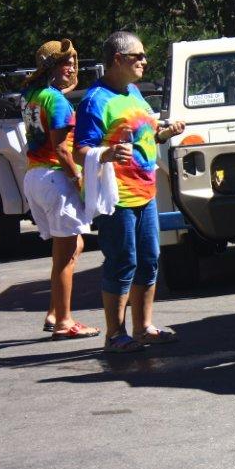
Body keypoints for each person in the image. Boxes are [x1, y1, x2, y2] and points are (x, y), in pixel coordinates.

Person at [74, 32, 186, 353]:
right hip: (118, 197)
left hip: (145, 191)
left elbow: (146, 135)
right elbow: (80, 150)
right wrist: (107, 153)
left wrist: (164, 133)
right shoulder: (96, 100)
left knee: (149, 260)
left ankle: (143, 327)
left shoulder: (134, 92)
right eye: (138, 56)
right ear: (118, 60)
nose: (144, 61)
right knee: (122, 262)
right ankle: (115, 334)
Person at [19, 39, 100, 339]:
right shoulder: (56, 101)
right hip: (55, 179)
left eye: (73, 61)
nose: (72, 66)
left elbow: (48, 104)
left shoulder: (31, 95)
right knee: (66, 254)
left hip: (34, 178)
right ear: (50, 67)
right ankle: (64, 322)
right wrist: (78, 180)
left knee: (71, 246)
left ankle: (54, 313)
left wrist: (64, 86)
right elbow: (63, 149)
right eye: (65, 62)